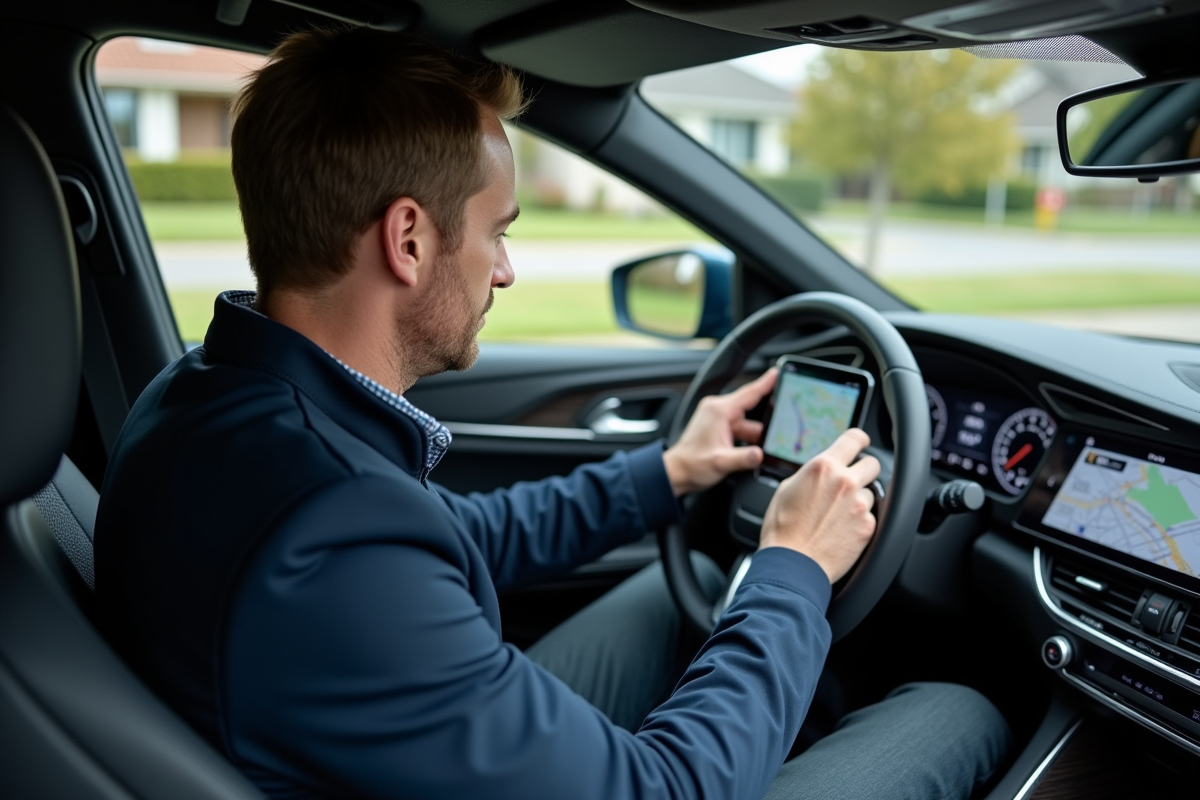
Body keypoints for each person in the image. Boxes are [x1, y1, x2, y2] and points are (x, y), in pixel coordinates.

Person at [94, 26, 1009, 800]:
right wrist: (794, 567)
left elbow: (462, 537)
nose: (504, 270)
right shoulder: (332, 537)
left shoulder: (205, 399)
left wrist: (669, 471)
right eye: (499, 231)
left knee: (671, 595)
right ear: (408, 239)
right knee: (958, 709)